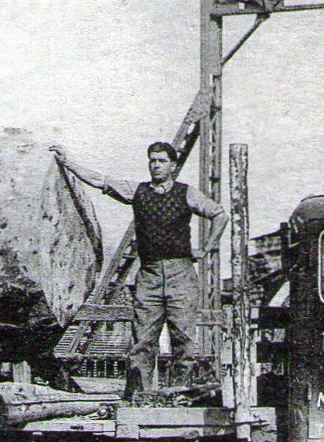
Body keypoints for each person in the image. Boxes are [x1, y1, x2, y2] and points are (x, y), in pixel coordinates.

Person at [53, 141, 227, 397]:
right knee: (142, 340)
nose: (156, 165)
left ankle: (180, 397)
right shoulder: (138, 191)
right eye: (152, 161)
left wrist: (207, 248)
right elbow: (101, 181)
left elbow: (219, 215)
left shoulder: (187, 193)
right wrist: (68, 163)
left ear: (173, 165)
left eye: (162, 161)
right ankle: (139, 398)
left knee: (185, 340)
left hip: (181, 274)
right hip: (149, 274)